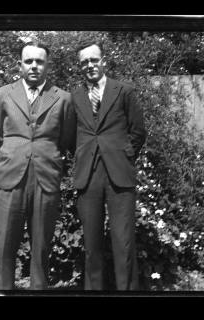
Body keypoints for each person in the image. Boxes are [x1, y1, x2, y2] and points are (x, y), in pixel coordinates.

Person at [0, 41, 75, 290]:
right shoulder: (3, 94)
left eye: (39, 61)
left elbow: (66, 138)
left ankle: (39, 289)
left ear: (48, 65)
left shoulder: (63, 98)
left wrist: (48, 157)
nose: (34, 66)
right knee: (5, 242)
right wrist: (10, 155)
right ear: (20, 65)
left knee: (41, 245)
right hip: (10, 175)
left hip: (45, 177)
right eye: (29, 61)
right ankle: (3, 289)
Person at [71, 41, 146, 290]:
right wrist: (83, 155)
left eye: (94, 60)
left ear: (103, 61)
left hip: (119, 174)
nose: (89, 65)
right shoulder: (75, 95)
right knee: (91, 245)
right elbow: (71, 136)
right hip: (88, 175)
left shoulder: (124, 91)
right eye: (84, 62)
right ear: (80, 66)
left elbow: (138, 131)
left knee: (123, 243)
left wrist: (123, 155)